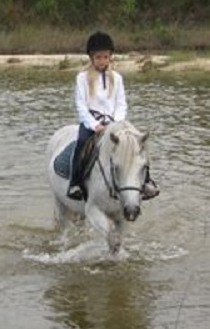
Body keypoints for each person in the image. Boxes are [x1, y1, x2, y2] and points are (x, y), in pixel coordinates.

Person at [66, 31, 159, 201]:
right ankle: (75, 183)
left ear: (110, 57)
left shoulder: (117, 78)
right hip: (92, 123)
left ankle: (146, 181)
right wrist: (94, 125)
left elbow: (121, 104)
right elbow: (81, 106)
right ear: (91, 58)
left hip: (114, 122)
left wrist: (115, 124)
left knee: (138, 142)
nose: (102, 61)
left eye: (105, 57)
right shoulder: (82, 78)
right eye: (98, 57)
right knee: (81, 142)